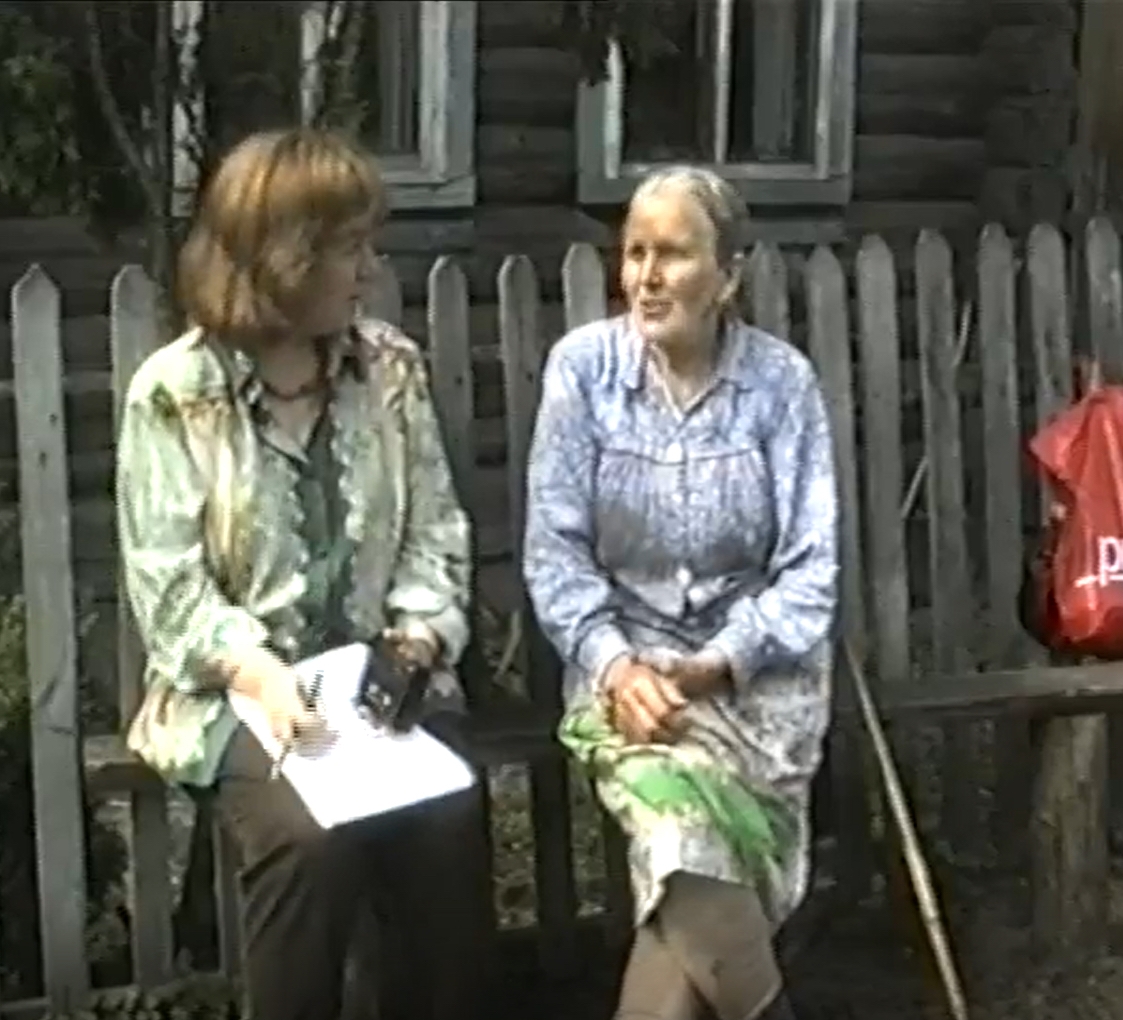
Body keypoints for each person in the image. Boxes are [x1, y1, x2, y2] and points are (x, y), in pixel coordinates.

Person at [115, 128, 485, 1020]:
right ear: (286, 259)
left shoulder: (390, 368)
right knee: (307, 838)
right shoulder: (173, 394)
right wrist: (263, 678)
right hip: (236, 694)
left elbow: (436, 534)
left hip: (378, 683)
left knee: (446, 818)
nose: (369, 271)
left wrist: (416, 641)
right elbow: (170, 592)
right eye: (349, 249)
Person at [523, 165, 839, 1020]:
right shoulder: (583, 372)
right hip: (629, 679)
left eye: (672, 254)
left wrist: (720, 662)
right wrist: (618, 666)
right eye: (634, 253)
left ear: (727, 276)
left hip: (758, 684)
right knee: (681, 831)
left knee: (686, 873)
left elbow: (812, 571)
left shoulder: (781, 385)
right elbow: (554, 556)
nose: (646, 278)